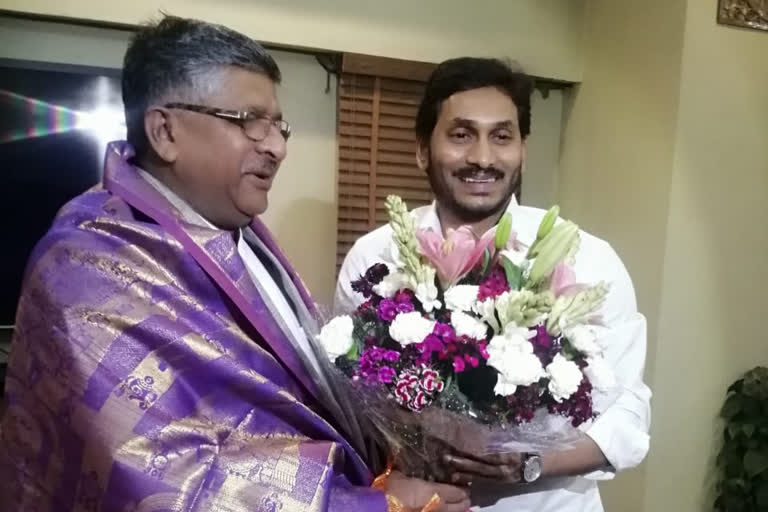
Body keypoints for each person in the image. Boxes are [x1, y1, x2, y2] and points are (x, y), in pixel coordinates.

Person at [0, 16, 470, 512]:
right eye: (250, 120)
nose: (277, 146)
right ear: (165, 131)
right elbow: (163, 480)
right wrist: (378, 506)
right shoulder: (86, 266)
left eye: (279, 125)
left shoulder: (231, 229)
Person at [335, 57, 651, 512]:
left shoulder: (587, 259)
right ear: (423, 149)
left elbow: (627, 416)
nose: (482, 158)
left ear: (523, 149)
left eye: (501, 136)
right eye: (461, 135)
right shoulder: (375, 257)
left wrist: (530, 461)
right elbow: (351, 396)